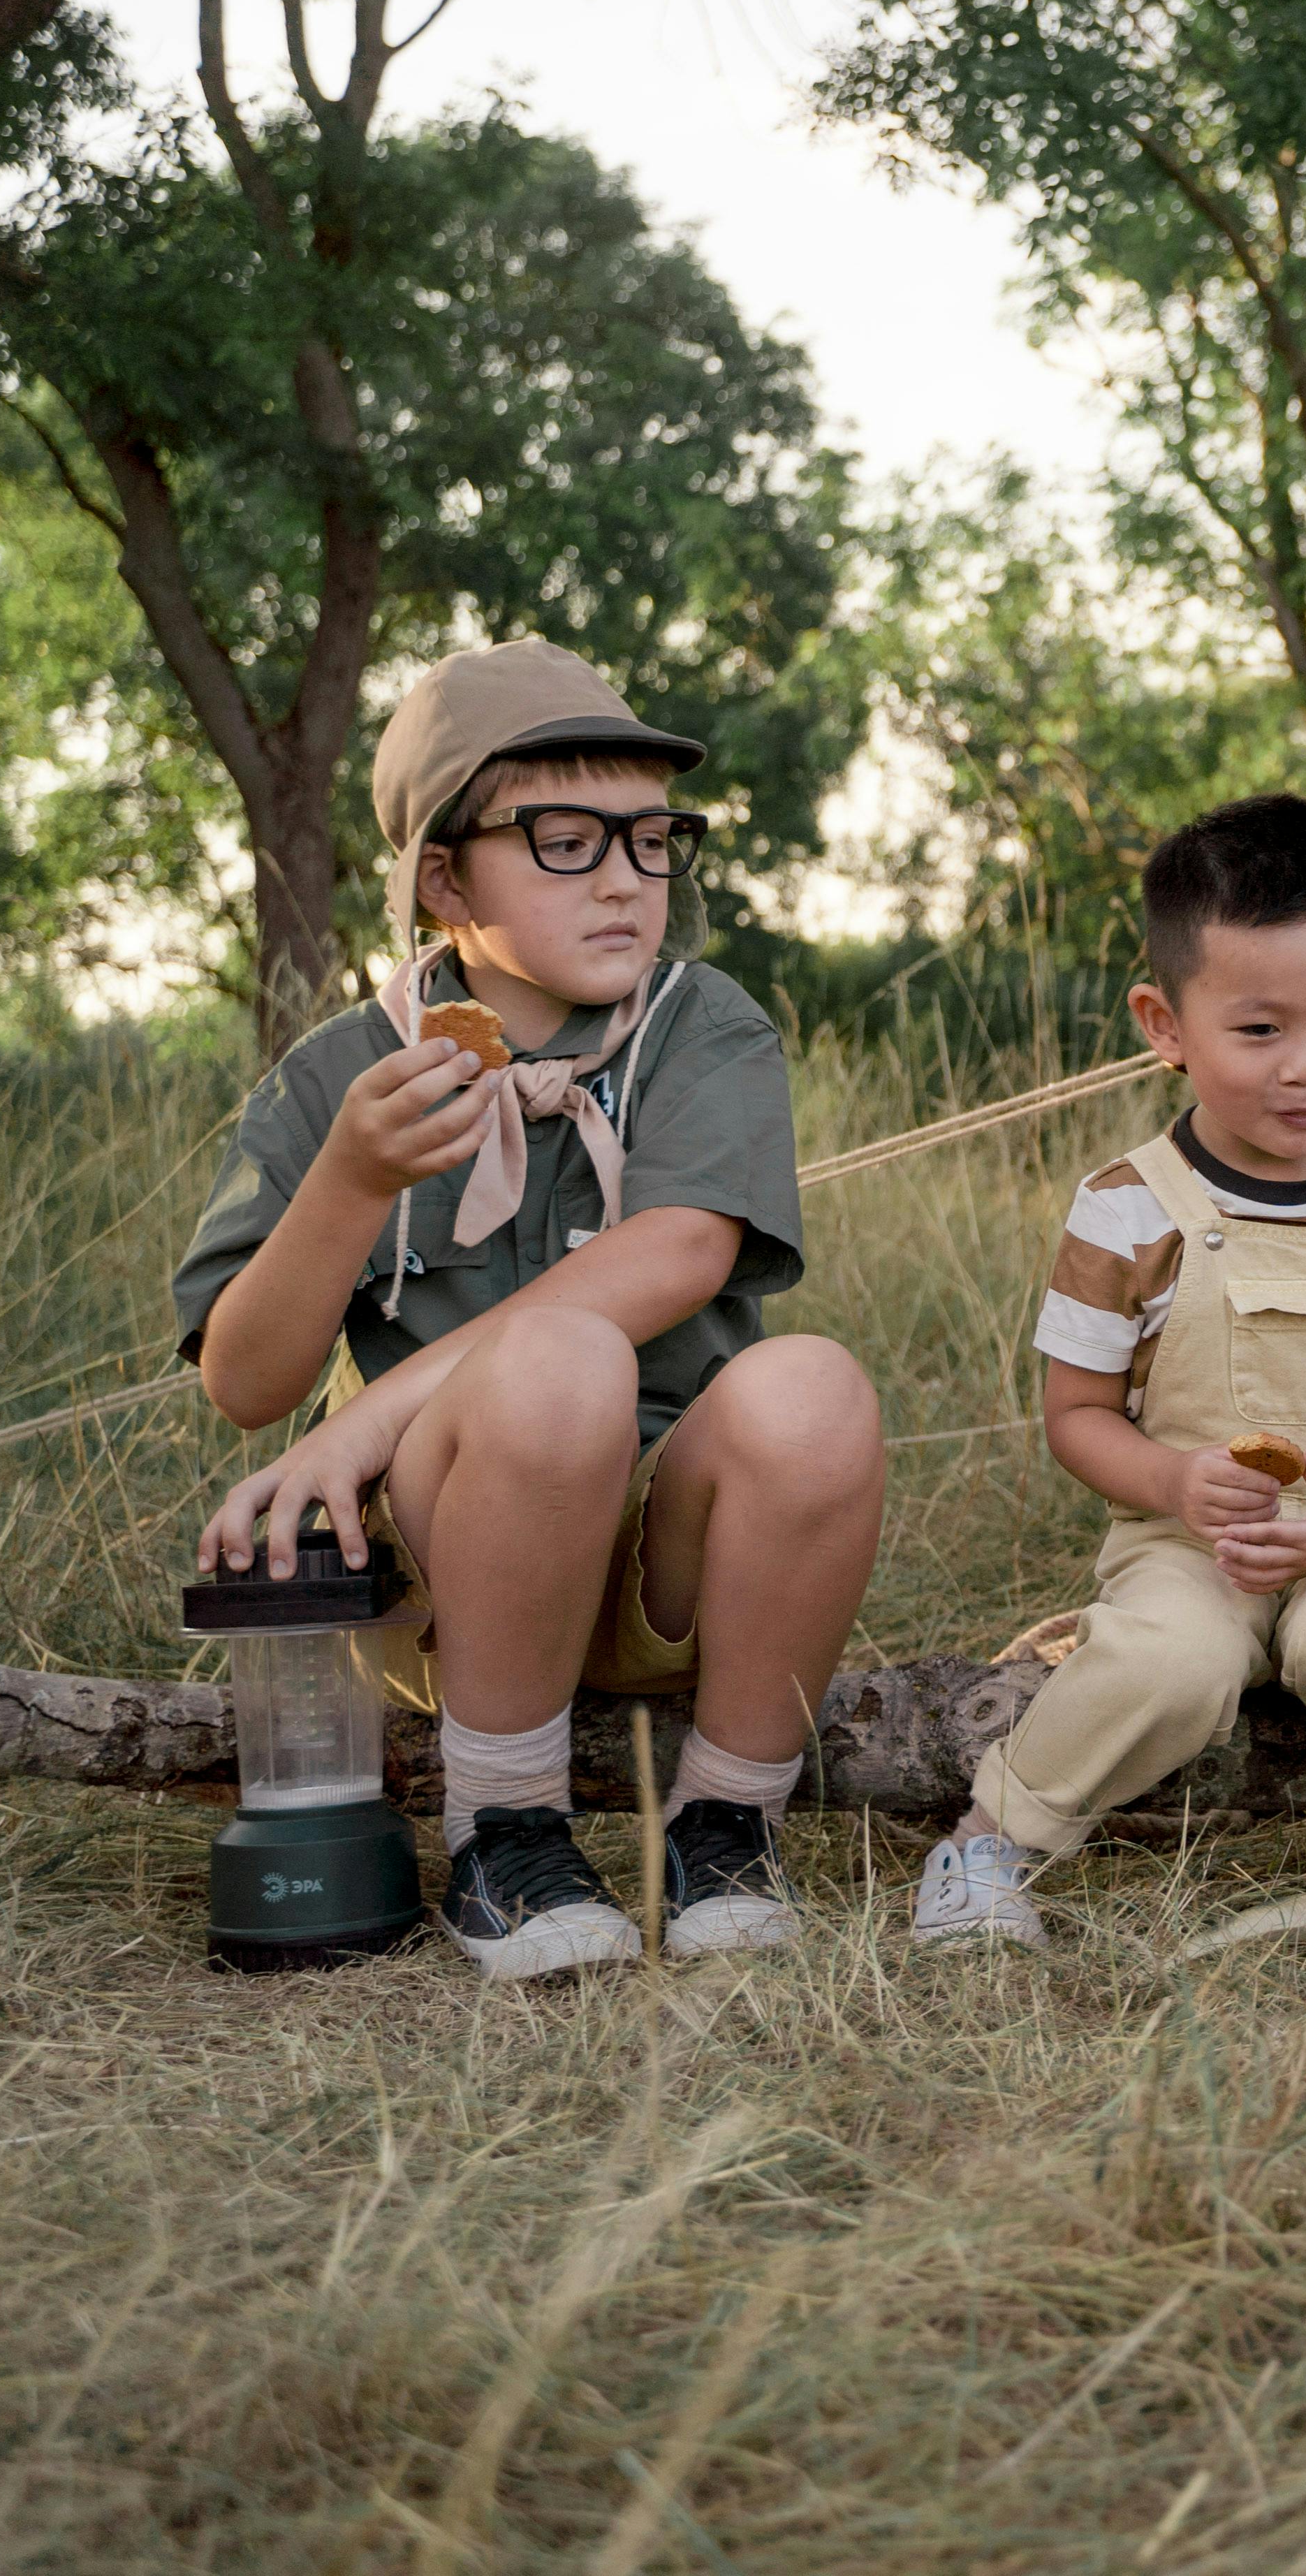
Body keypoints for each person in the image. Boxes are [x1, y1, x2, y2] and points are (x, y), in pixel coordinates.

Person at [178, 638, 885, 1981]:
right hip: (454, 1583)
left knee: (818, 1385)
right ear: (445, 877)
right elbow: (248, 1383)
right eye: (566, 840)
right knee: (556, 1363)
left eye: (651, 840)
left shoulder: (700, 1025)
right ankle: (506, 1827)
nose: (625, 878)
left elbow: (678, 1252)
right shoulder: (343, 1072)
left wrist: (366, 1417)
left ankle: (729, 1823)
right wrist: (350, 1179)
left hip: (669, 1574)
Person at [912, 796, 1306, 1952]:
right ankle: (993, 1839)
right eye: (1259, 1032)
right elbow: (1077, 1417)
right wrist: (1172, 1482)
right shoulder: (1126, 1205)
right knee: (1171, 1659)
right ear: (1165, 1022)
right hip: (1188, 1541)